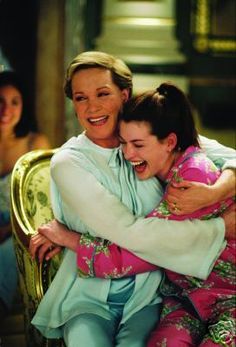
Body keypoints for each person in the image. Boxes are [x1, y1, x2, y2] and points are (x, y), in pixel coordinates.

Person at [29, 51, 235, 347]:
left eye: (102, 93)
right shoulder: (69, 162)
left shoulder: (155, 135)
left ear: (125, 95)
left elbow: (229, 157)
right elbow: (133, 234)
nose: (92, 107)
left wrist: (216, 192)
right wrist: (220, 228)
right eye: (80, 98)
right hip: (89, 296)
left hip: (150, 297)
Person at [0, 70, 51, 321]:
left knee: (10, 252)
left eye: (14, 102)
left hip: (20, 230)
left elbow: (42, 205)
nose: (5, 109)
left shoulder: (35, 143)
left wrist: (9, 229)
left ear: (23, 106)